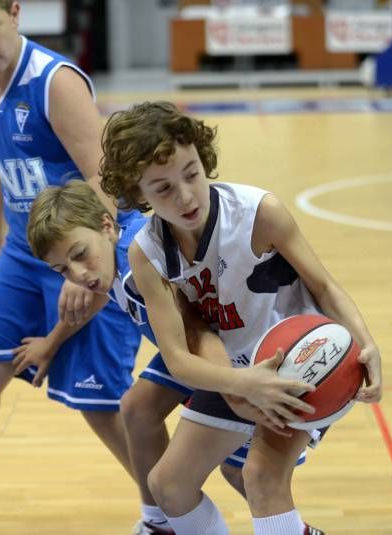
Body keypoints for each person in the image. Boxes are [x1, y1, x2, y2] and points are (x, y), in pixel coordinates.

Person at [0, 1, 146, 533]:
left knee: (101, 400)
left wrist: (86, 272)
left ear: (15, 13)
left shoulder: (54, 83)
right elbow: (0, 153)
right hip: (25, 245)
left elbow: (109, 184)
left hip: (86, 247)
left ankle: (170, 512)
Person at [99, 101, 384, 535]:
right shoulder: (148, 253)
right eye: (163, 189)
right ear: (137, 194)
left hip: (305, 363)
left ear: (202, 157)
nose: (186, 195)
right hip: (237, 369)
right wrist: (241, 385)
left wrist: (367, 344)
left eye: (191, 174)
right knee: (167, 484)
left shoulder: (258, 213)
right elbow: (177, 359)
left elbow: (324, 287)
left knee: (260, 478)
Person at [27, 180, 318, 534]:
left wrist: (236, 391)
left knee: (245, 475)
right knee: (138, 407)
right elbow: (108, 294)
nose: (77, 275)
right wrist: (52, 341)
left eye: (78, 255)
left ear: (106, 225)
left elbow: (200, 332)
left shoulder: (137, 263)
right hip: (191, 346)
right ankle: (159, 524)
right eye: (62, 270)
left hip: (242, 348)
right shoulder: (111, 257)